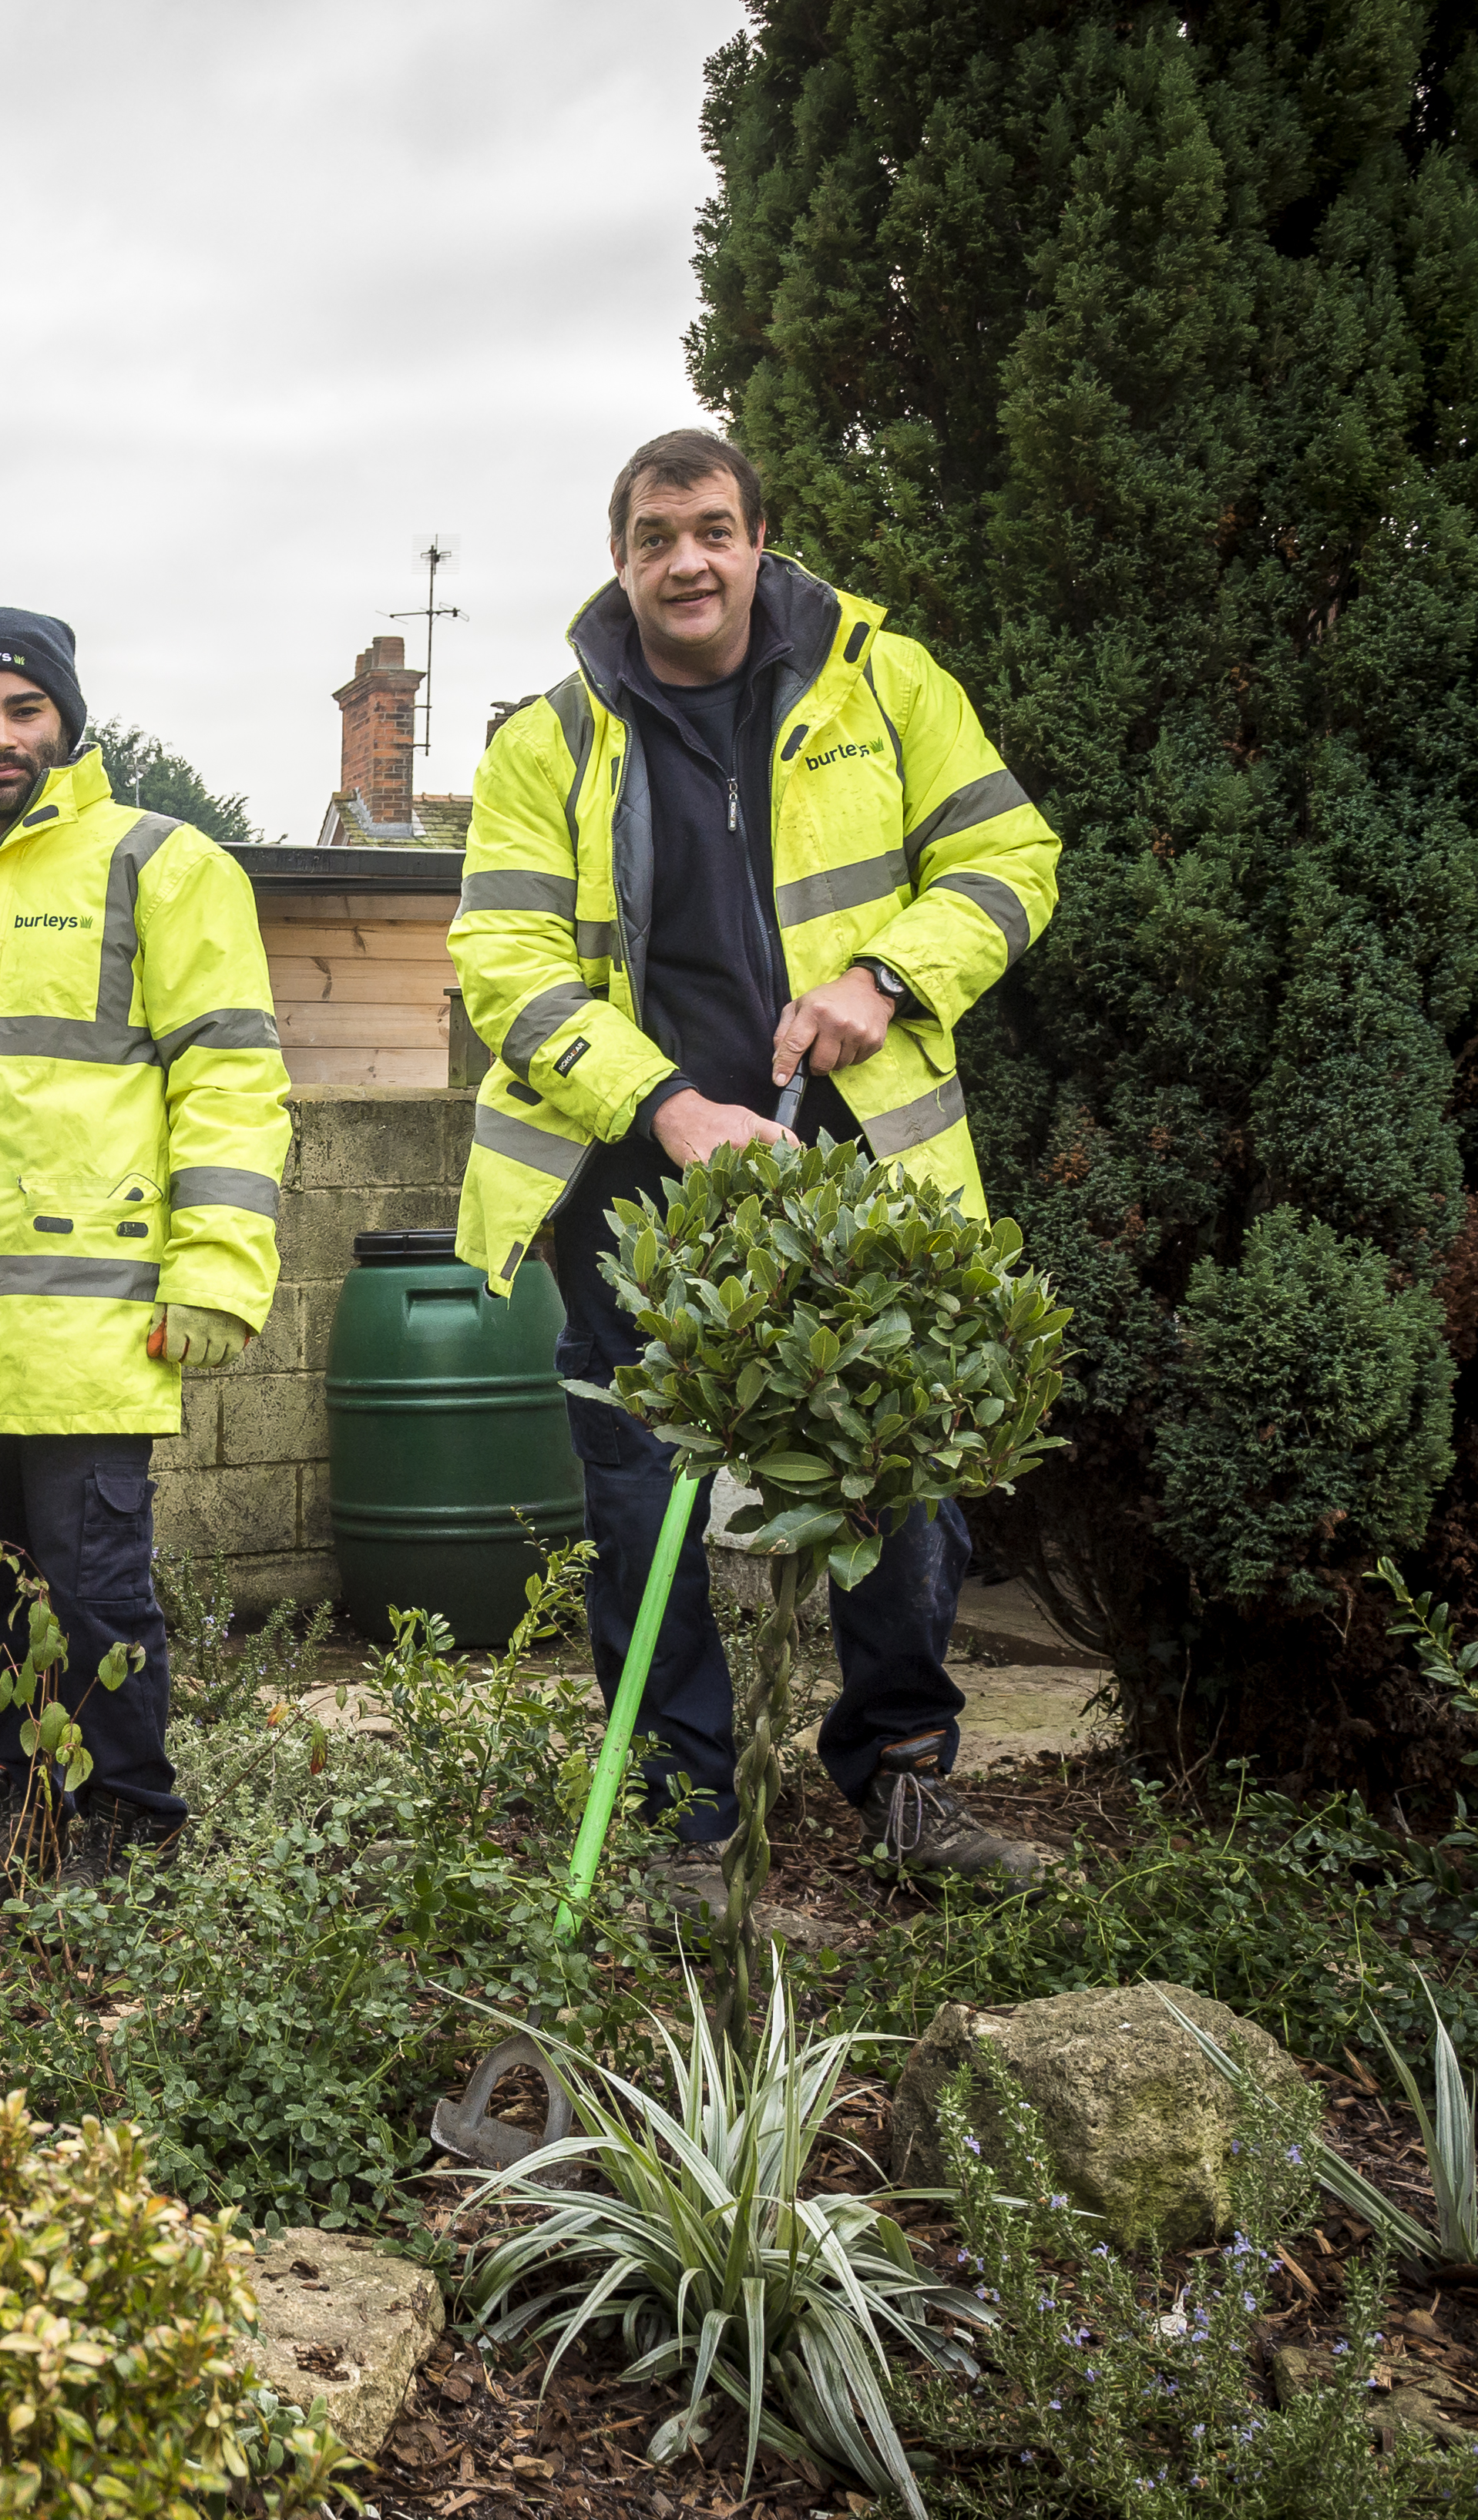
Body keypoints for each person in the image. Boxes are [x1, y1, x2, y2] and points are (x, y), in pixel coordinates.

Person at [454, 427, 1063, 1892]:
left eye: (711, 530)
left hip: (854, 1171)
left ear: (755, 539)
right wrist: (661, 1103)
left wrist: (885, 979)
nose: (686, 561)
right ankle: (683, 1821)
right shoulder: (545, 742)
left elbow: (1011, 858)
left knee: (898, 1481)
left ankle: (905, 1786)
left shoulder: (883, 681)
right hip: (628, 1187)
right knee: (633, 1503)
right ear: (619, 559)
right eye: (656, 535)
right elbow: (500, 959)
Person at [0, 608, 290, 1912]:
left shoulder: (161, 865)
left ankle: (127, 1822)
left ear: (67, 719)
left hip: (91, 1331)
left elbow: (231, 1081)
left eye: (23, 710)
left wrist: (212, 1271)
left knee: (90, 1594)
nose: (0, 737)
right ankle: (6, 1820)